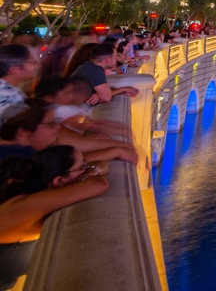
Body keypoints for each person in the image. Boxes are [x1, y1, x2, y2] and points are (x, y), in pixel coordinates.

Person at [0, 145, 108, 289]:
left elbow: (101, 164)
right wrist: (89, 175)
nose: (86, 169)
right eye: (82, 167)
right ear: (59, 181)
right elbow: (99, 184)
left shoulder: (33, 193)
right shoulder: (27, 206)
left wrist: (91, 170)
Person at [0, 103, 137, 165]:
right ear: (24, 132)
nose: (58, 127)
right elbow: (67, 166)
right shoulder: (19, 158)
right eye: (52, 124)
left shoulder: (21, 149)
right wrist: (116, 151)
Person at [69, 43, 138, 106]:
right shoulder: (96, 70)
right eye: (114, 56)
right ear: (107, 60)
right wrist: (124, 89)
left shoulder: (88, 66)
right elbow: (106, 98)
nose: (116, 59)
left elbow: (105, 91)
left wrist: (99, 94)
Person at [0, 45, 38, 119]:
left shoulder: (8, 89)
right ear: (14, 69)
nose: (36, 66)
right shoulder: (11, 99)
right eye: (32, 62)